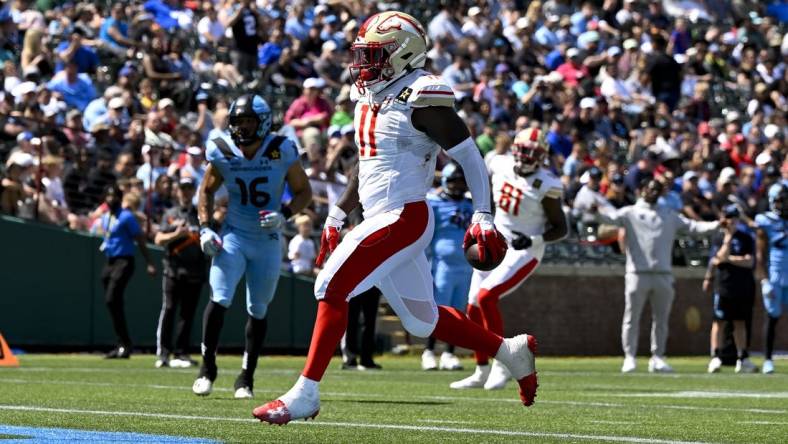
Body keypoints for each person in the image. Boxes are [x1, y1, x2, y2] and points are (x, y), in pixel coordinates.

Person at [253, 12, 537, 425]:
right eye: (364, 54)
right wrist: (336, 214)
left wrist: (483, 214)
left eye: (375, 54)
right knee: (423, 320)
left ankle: (305, 393)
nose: (365, 63)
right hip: (382, 215)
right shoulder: (367, 94)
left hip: (405, 214)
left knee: (331, 285)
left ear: (403, 54)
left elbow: (469, 156)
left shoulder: (422, 95)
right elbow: (365, 165)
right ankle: (507, 351)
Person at [193, 94, 312, 399]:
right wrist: (205, 228)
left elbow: (304, 192)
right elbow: (205, 191)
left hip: (267, 240)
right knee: (219, 298)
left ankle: (246, 377)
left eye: (248, 122)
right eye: (238, 122)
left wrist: (284, 215)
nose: (242, 128)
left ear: (263, 123)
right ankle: (207, 368)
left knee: (257, 309)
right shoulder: (222, 150)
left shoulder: (281, 149)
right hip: (233, 235)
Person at [451, 127, 567, 390]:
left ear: (542, 156)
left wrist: (535, 239)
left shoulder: (546, 184)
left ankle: (502, 364)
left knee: (486, 297)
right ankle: (480, 370)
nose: (526, 157)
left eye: (532, 153)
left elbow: (561, 228)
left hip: (524, 249)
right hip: (495, 242)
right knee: (472, 309)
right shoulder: (499, 163)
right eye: (523, 150)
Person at [592, 179, 720, 373]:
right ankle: (630, 357)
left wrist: (718, 224)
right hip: (637, 273)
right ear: (642, 189)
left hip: (663, 274)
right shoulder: (630, 212)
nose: (652, 191)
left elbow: (694, 227)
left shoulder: (668, 214)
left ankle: (658, 357)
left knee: (661, 319)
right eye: (649, 188)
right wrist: (596, 212)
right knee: (631, 317)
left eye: (656, 189)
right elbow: (608, 219)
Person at [421, 162, 474, 372]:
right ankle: (429, 351)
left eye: (461, 181)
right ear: (445, 181)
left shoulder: (470, 206)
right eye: (454, 181)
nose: (458, 185)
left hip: (466, 266)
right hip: (442, 265)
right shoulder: (434, 203)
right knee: (439, 310)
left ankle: (449, 353)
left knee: (458, 311)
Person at [154, 177, 208, 369]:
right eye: (182, 188)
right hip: (173, 270)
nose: (185, 192)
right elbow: (159, 239)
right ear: (177, 191)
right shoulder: (170, 214)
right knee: (168, 309)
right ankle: (163, 353)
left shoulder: (200, 215)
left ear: (194, 191)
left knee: (188, 314)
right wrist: (176, 235)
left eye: (189, 188)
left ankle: (181, 353)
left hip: (195, 271)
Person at [97, 185, 157, 359]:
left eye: (114, 196)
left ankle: (125, 343)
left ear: (119, 198)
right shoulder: (107, 217)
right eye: (107, 196)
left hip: (124, 261)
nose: (110, 199)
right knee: (112, 303)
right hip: (110, 261)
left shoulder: (126, 216)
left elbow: (140, 239)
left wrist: (150, 262)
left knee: (111, 299)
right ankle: (122, 343)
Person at [705, 205, 757, 373]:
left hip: (741, 286)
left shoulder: (746, 238)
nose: (731, 220)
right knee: (718, 322)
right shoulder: (719, 237)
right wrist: (728, 239)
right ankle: (716, 357)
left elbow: (749, 261)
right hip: (723, 286)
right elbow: (718, 259)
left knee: (740, 322)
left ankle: (742, 358)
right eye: (728, 216)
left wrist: (730, 259)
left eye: (734, 217)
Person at [755, 184, 788, 375]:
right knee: (772, 316)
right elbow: (760, 254)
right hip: (775, 274)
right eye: (780, 200)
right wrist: (764, 281)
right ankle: (767, 359)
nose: (783, 204)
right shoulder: (765, 221)